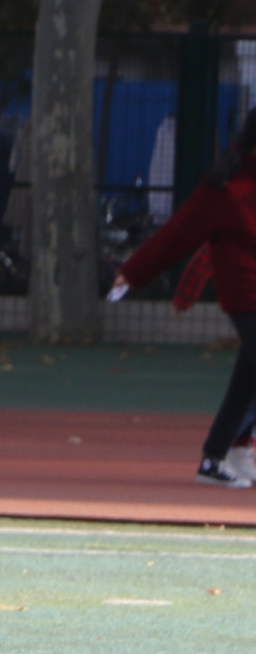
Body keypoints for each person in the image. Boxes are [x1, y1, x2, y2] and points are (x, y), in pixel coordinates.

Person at [109, 108, 256, 486]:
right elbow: (177, 234)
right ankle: (223, 454)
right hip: (247, 292)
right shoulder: (223, 189)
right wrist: (134, 271)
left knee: (247, 379)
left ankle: (224, 454)